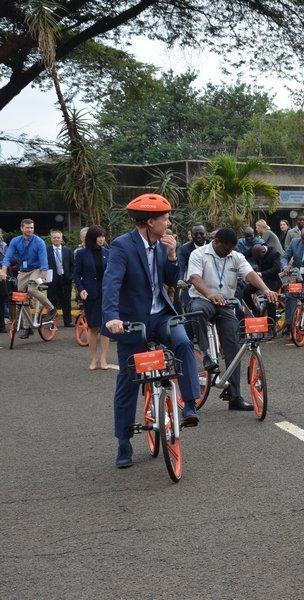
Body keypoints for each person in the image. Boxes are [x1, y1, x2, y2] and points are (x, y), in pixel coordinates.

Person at [102, 194, 201, 468]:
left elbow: (171, 280)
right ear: (150, 222)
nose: (169, 223)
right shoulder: (122, 246)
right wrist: (112, 317)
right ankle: (123, 442)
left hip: (161, 316)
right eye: (165, 219)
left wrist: (172, 256)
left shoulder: (162, 245)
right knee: (128, 381)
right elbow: (111, 283)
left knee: (183, 343)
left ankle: (190, 405)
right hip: (133, 321)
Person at [188, 228, 279, 410]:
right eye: (225, 248)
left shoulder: (236, 256)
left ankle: (234, 396)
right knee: (197, 311)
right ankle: (206, 355)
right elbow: (195, 278)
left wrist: (265, 289)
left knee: (234, 348)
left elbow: (250, 274)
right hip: (203, 299)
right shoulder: (199, 254)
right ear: (216, 241)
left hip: (225, 304)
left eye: (231, 249)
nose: (228, 252)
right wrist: (209, 294)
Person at [0, 218, 55, 338]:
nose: (30, 230)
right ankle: (28, 327)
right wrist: (3, 271)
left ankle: (51, 309)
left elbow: (44, 261)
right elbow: (7, 257)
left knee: (31, 289)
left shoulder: (39, 242)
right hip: (23, 271)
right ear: (21, 228)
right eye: (27, 227)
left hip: (36, 269)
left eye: (32, 228)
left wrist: (43, 276)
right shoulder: (15, 241)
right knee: (21, 298)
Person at [74, 225, 110, 370]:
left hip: (106, 293)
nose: (101, 239)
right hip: (90, 293)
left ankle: (104, 358)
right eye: (98, 236)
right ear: (92, 238)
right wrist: (81, 289)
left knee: (105, 326)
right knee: (93, 327)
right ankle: (94, 358)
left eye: (103, 236)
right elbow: (76, 274)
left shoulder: (108, 253)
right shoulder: (82, 253)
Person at [244, 243, 282, 325]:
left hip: (273, 280)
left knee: (270, 299)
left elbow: (276, 269)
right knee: (246, 291)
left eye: (259, 257)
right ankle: (254, 310)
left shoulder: (274, 254)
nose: (258, 259)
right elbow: (243, 255)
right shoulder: (256, 249)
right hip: (260, 279)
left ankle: (271, 324)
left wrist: (262, 273)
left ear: (263, 252)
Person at [47, 230, 75, 327]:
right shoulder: (47, 250)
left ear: (61, 239)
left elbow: (72, 265)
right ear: (51, 239)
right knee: (52, 301)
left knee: (66, 301)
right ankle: (51, 322)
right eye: (54, 238)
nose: (56, 239)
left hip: (65, 279)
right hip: (52, 279)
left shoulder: (68, 250)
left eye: (58, 237)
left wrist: (71, 276)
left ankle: (68, 321)